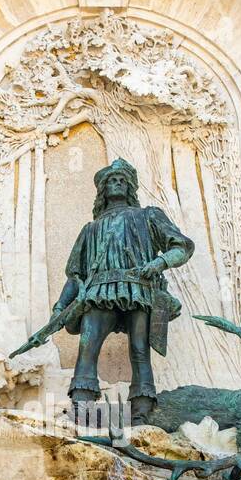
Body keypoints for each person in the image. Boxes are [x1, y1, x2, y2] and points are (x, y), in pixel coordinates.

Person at [51, 157, 195, 423]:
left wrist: (159, 263)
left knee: (140, 349)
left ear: (130, 188)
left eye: (122, 180)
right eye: (111, 181)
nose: (117, 184)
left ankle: (142, 407)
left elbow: (182, 246)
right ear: (103, 190)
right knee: (88, 346)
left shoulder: (148, 215)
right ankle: (81, 404)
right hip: (99, 292)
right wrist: (60, 306)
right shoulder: (90, 228)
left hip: (137, 288)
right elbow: (74, 275)